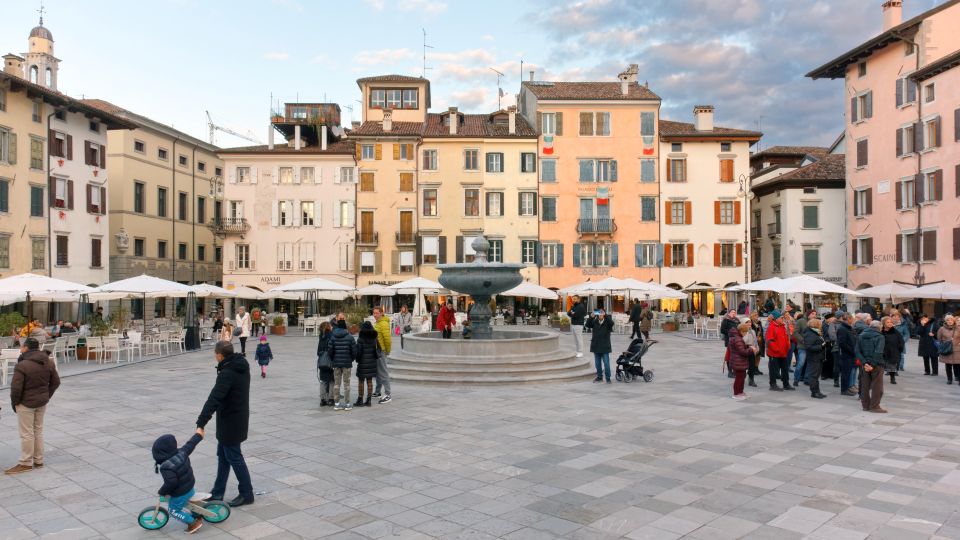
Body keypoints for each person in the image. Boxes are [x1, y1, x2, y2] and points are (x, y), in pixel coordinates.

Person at [196, 341, 253, 507]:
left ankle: (247, 493)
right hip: (235, 418)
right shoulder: (239, 366)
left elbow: (214, 398)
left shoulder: (227, 372)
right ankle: (218, 491)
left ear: (219, 355)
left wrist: (201, 422)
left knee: (234, 456)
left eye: (215, 354)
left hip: (231, 421)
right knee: (223, 456)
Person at [5, 338, 60, 475]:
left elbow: (15, 389)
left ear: (26, 348)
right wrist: (46, 396)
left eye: (22, 347)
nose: (21, 349)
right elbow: (56, 382)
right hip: (41, 402)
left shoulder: (22, 365)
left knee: (27, 434)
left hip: (26, 403)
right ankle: (38, 460)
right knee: (38, 431)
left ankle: (25, 463)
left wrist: (15, 403)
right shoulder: (48, 361)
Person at [152, 431, 205, 534]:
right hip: (190, 486)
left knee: (173, 510)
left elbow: (171, 483)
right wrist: (199, 435)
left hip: (181, 492)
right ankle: (196, 514)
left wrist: (162, 492)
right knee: (185, 502)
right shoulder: (182, 452)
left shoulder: (166, 467)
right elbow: (191, 444)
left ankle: (193, 523)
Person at [856, 320, 887, 413]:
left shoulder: (861, 335)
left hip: (864, 364)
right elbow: (878, 352)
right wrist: (872, 365)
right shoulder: (880, 336)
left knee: (865, 385)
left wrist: (865, 363)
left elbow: (857, 351)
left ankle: (865, 405)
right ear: (879, 327)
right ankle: (874, 406)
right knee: (877, 386)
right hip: (876, 364)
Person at [328, 319, 356, 410]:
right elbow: (354, 352)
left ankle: (336, 403)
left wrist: (333, 360)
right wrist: (350, 359)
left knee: (337, 383)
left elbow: (330, 352)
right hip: (347, 363)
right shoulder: (350, 337)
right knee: (346, 383)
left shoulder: (333, 337)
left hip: (336, 363)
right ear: (345, 327)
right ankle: (347, 404)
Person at [765, 310, 793, 391]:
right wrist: (777, 349)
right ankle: (773, 385)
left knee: (785, 369)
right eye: (781, 318)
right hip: (775, 353)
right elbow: (769, 341)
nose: (782, 319)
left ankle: (786, 384)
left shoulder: (782, 326)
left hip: (783, 353)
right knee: (773, 370)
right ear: (776, 319)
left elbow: (786, 337)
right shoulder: (771, 327)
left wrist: (788, 346)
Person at [354, 321, 379, 407]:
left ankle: (360, 399)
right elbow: (377, 349)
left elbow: (358, 352)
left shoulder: (360, 339)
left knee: (361, 381)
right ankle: (369, 400)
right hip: (372, 362)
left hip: (363, 362)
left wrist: (357, 360)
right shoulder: (374, 338)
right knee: (369, 381)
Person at [585, 308, 614, 384]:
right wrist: (591, 317)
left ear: (604, 314)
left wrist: (606, 315)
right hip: (596, 345)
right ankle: (599, 377)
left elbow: (612, 323)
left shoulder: (607, 322)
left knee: (606, 363)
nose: (600, 315)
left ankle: (608, 378)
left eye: (602, 313)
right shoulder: (594, 321)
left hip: (605, 346)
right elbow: (587, 325)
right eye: (599, 313)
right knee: (597, 363)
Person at [372, 306, 392, 404]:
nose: (374, 315)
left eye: (376, 313)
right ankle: (377, 391)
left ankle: (388, 394)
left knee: (383, 372)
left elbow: (388, 339)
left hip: (381, 351)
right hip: (377, 350)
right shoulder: (378, 323)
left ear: (381, 313)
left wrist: (387, 351)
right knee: (377, 372)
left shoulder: (383, 324)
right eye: (374, 313)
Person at [728, 322, 753, 400]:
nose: (746, 334)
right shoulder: (737, 338)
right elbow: (742, 352)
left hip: (738, 361)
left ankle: (740, 392)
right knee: (739, 378)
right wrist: (751, 349)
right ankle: (736, 393)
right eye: (745, 332)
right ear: (742, 331)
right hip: (738, 361)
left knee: (742, 377)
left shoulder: (736, 337)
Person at [803, 318, 827, 399]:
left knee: (816, 375)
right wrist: (821, 346)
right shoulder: (810, 333)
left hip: (818, 357)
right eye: (819, 324)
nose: (821, 325)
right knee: (814, 375)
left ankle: (817, 391)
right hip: (814, 357)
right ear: (816, 324)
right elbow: (809, 347)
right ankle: (814, 392)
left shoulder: (815, 332)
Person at [836, 313, 858, 396]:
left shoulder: (849, 328)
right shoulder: (842, 328)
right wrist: (852, 351)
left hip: (851, 353)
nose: (852, 320)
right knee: (846, 373)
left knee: (849, 372)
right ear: (848, 319)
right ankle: (844, 389)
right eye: (851, 318)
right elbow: (842, 343)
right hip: (846, 354)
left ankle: (848, 387)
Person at [882, 316, 904, 385]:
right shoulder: (881, 331)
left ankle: (892, 378)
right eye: (888, 322)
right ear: (884, 323)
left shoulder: (895, 331)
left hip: (893, 351)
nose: (890, 323)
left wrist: (900, 348)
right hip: (883, 351)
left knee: (892, 365)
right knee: (881, 365)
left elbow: (901, 340)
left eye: (891, 322)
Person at [317, 321, 334, 407]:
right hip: (330, 362)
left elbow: (318, 351)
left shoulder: (321, 336)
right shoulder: (331, 336)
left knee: (323, 381)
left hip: (322, 362)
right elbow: (332, 350)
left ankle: (322, 399)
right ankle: (331, 399)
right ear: (328, 327)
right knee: (331, 380)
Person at [937, 315, 959, 384]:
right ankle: (949, 379)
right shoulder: (941, 329)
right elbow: (939, 338)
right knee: (948, 365)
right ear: (945, 321)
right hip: (947, 349)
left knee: (958, 365)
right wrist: (944, 343)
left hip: (957, 350)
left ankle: (958, 378)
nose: (950, 321)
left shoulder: (958, 328)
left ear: (953, 321)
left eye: (951, 320)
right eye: (948, 320)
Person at [792, 311, 810, 386]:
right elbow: (795, 332)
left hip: (811, 347)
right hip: (802, 346)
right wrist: (802, 340)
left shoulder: (816, 322)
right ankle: (796, 379)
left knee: (809, 364)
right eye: (813, 313)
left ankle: (806, 379)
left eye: (815, 314)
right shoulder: (801, 321)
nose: (814, 315)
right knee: (800, 363)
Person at [720, 311, 740, 379]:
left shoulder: (737, 320)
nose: (734, 313)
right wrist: (730, 333)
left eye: (735, 312)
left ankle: (734, 370)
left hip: (737, 340)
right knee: (730, 356)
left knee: (735, 356)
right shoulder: (726, 320)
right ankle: (730, 371)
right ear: (728, 313)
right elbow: (722, 330)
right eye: (732, 312)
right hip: (729, 340)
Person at [749, 311, 765, 377]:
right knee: (753, 356)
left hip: (760, 341)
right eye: (755, 315)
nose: (757, 316)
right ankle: (752, 369)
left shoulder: (759, 323)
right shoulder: (750, 323)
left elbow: (761, 331)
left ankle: (756, 368)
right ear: (752, 317)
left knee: (758, 355)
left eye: (757, 315)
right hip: (753, 341)